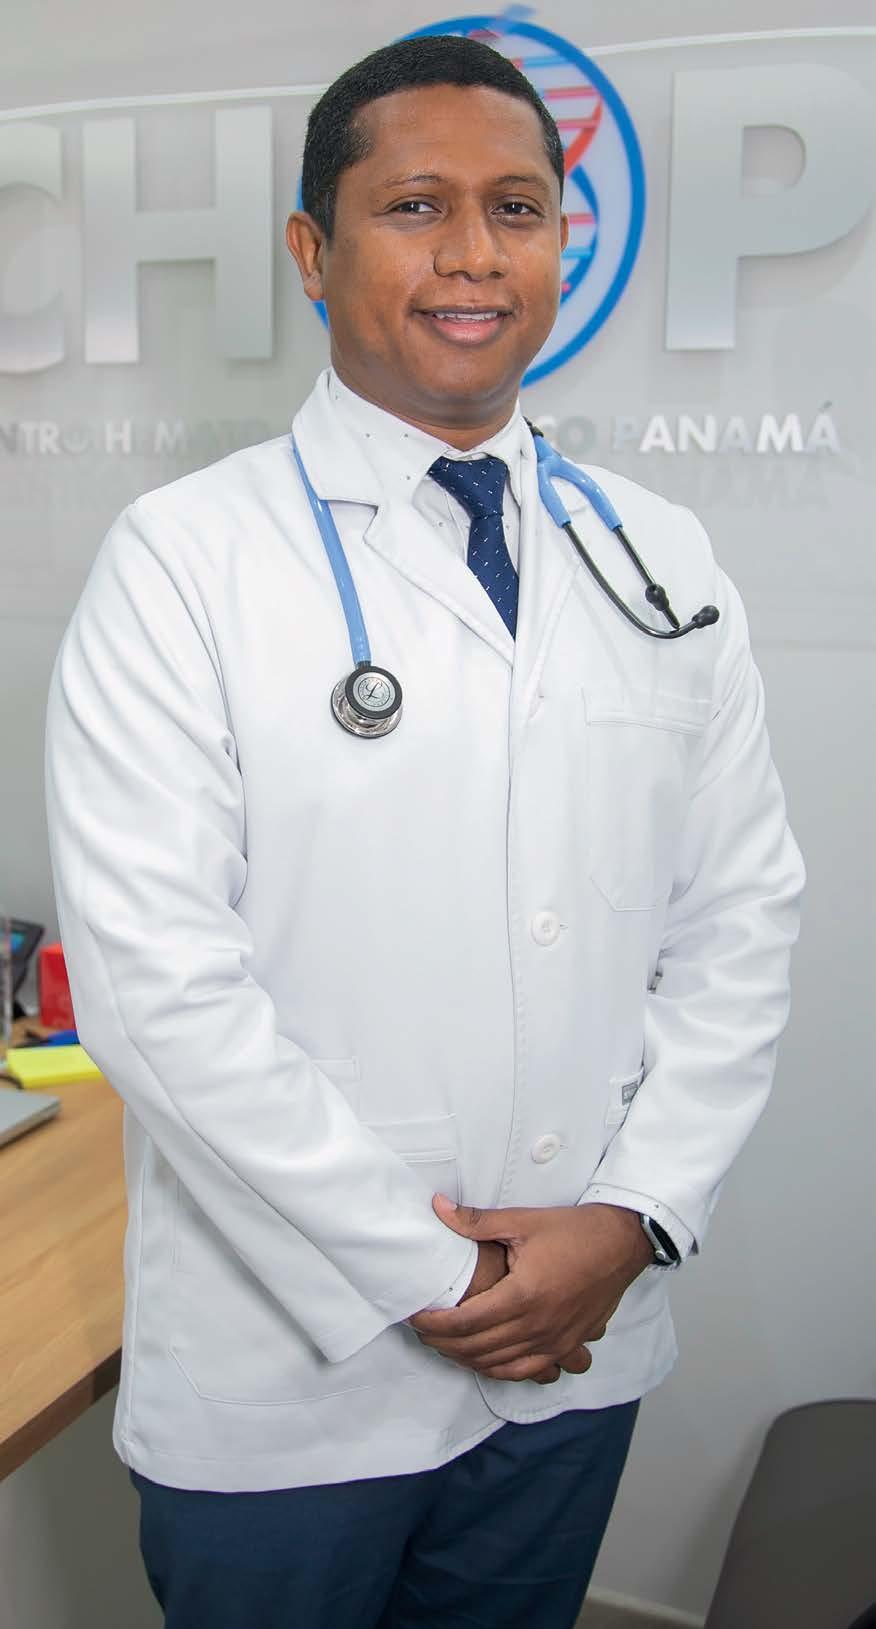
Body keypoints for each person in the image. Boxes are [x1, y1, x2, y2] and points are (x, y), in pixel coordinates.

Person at [43, 32, 805, 1629]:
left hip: (576, 1344)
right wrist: (439, 1271)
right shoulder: (182, 562)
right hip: (291, 1383)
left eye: (516, 208)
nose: (473, 253)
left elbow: (739, 921)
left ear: (560, 247)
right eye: (414, 206)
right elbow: (156, 989)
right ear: (312, 251)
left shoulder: (660, 559)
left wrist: (632, 1217)